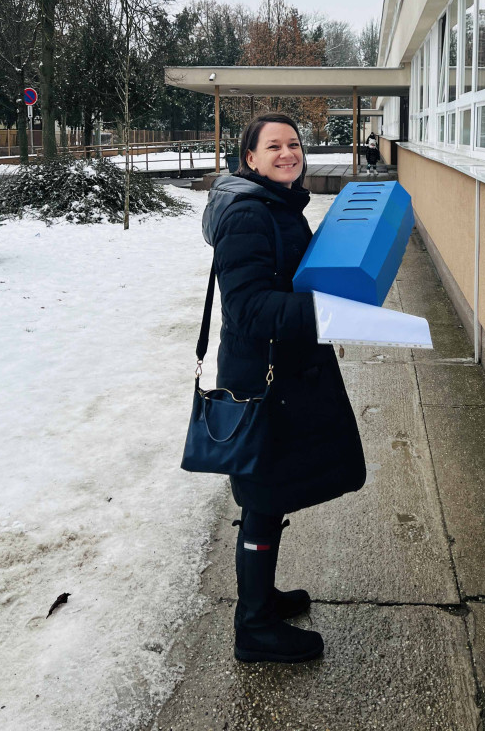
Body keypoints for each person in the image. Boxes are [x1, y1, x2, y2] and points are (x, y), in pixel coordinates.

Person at [201, 113, 366, 664]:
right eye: (273, 146)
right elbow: (249, 309)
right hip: (262, 379)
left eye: (293, 144)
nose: (287, 153)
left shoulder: (275, 204)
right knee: (263, 498)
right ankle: (254, 628)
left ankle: (262, 598)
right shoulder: (248, 214)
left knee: (268, 497)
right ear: (249, 158)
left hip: (281, 371)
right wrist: (325, 310)